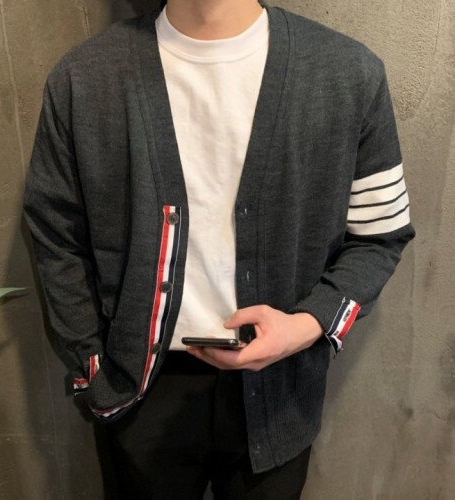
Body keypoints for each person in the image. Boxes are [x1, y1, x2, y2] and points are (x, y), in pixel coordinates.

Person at [24, 0, 415, 498]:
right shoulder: (83, 78)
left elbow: (380, 235)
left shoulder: (349, 74)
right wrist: (93, 364)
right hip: (139, 390)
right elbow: (56, 234)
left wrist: (306, 325)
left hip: (281, 389)